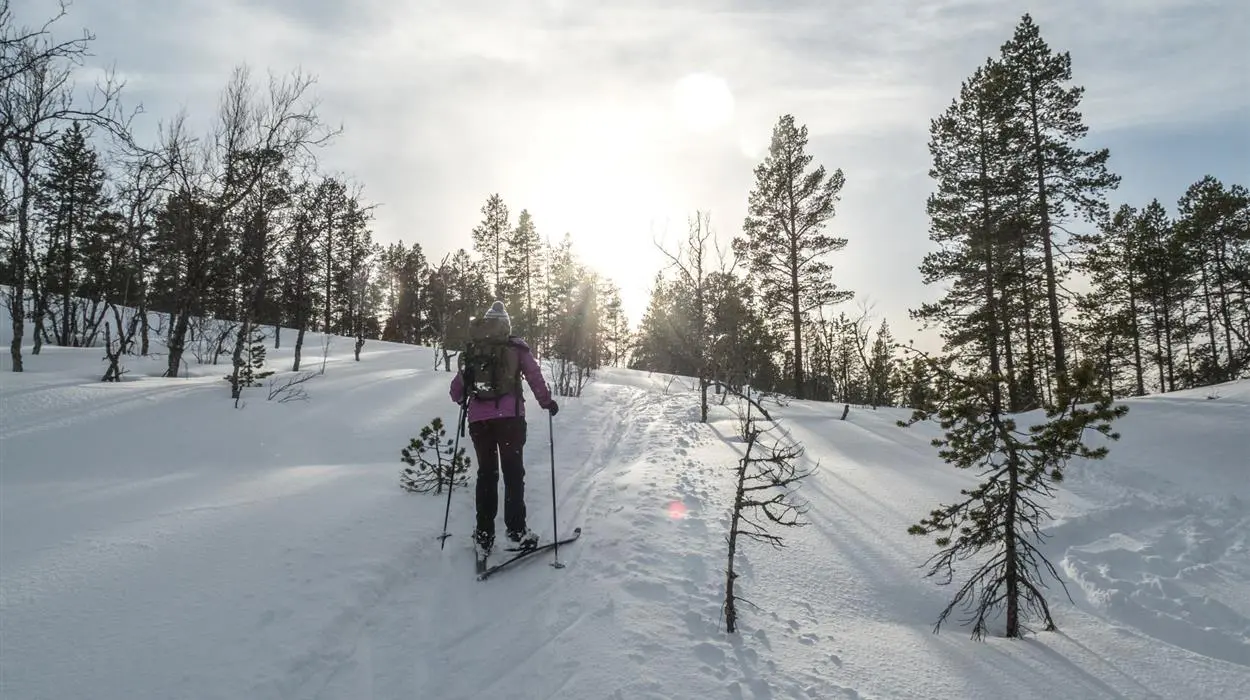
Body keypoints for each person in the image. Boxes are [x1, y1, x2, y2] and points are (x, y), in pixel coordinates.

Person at [449, 301, 559, 559]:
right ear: (506, 325)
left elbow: (456, 392)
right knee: (512, 474)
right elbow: (534, 376)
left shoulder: (474, 350)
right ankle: (516, 534)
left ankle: (484, 537)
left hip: (479, 423)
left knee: (486, 475)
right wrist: (546, 402)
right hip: (510, 421)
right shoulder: (516, 348)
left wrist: (471, 397)